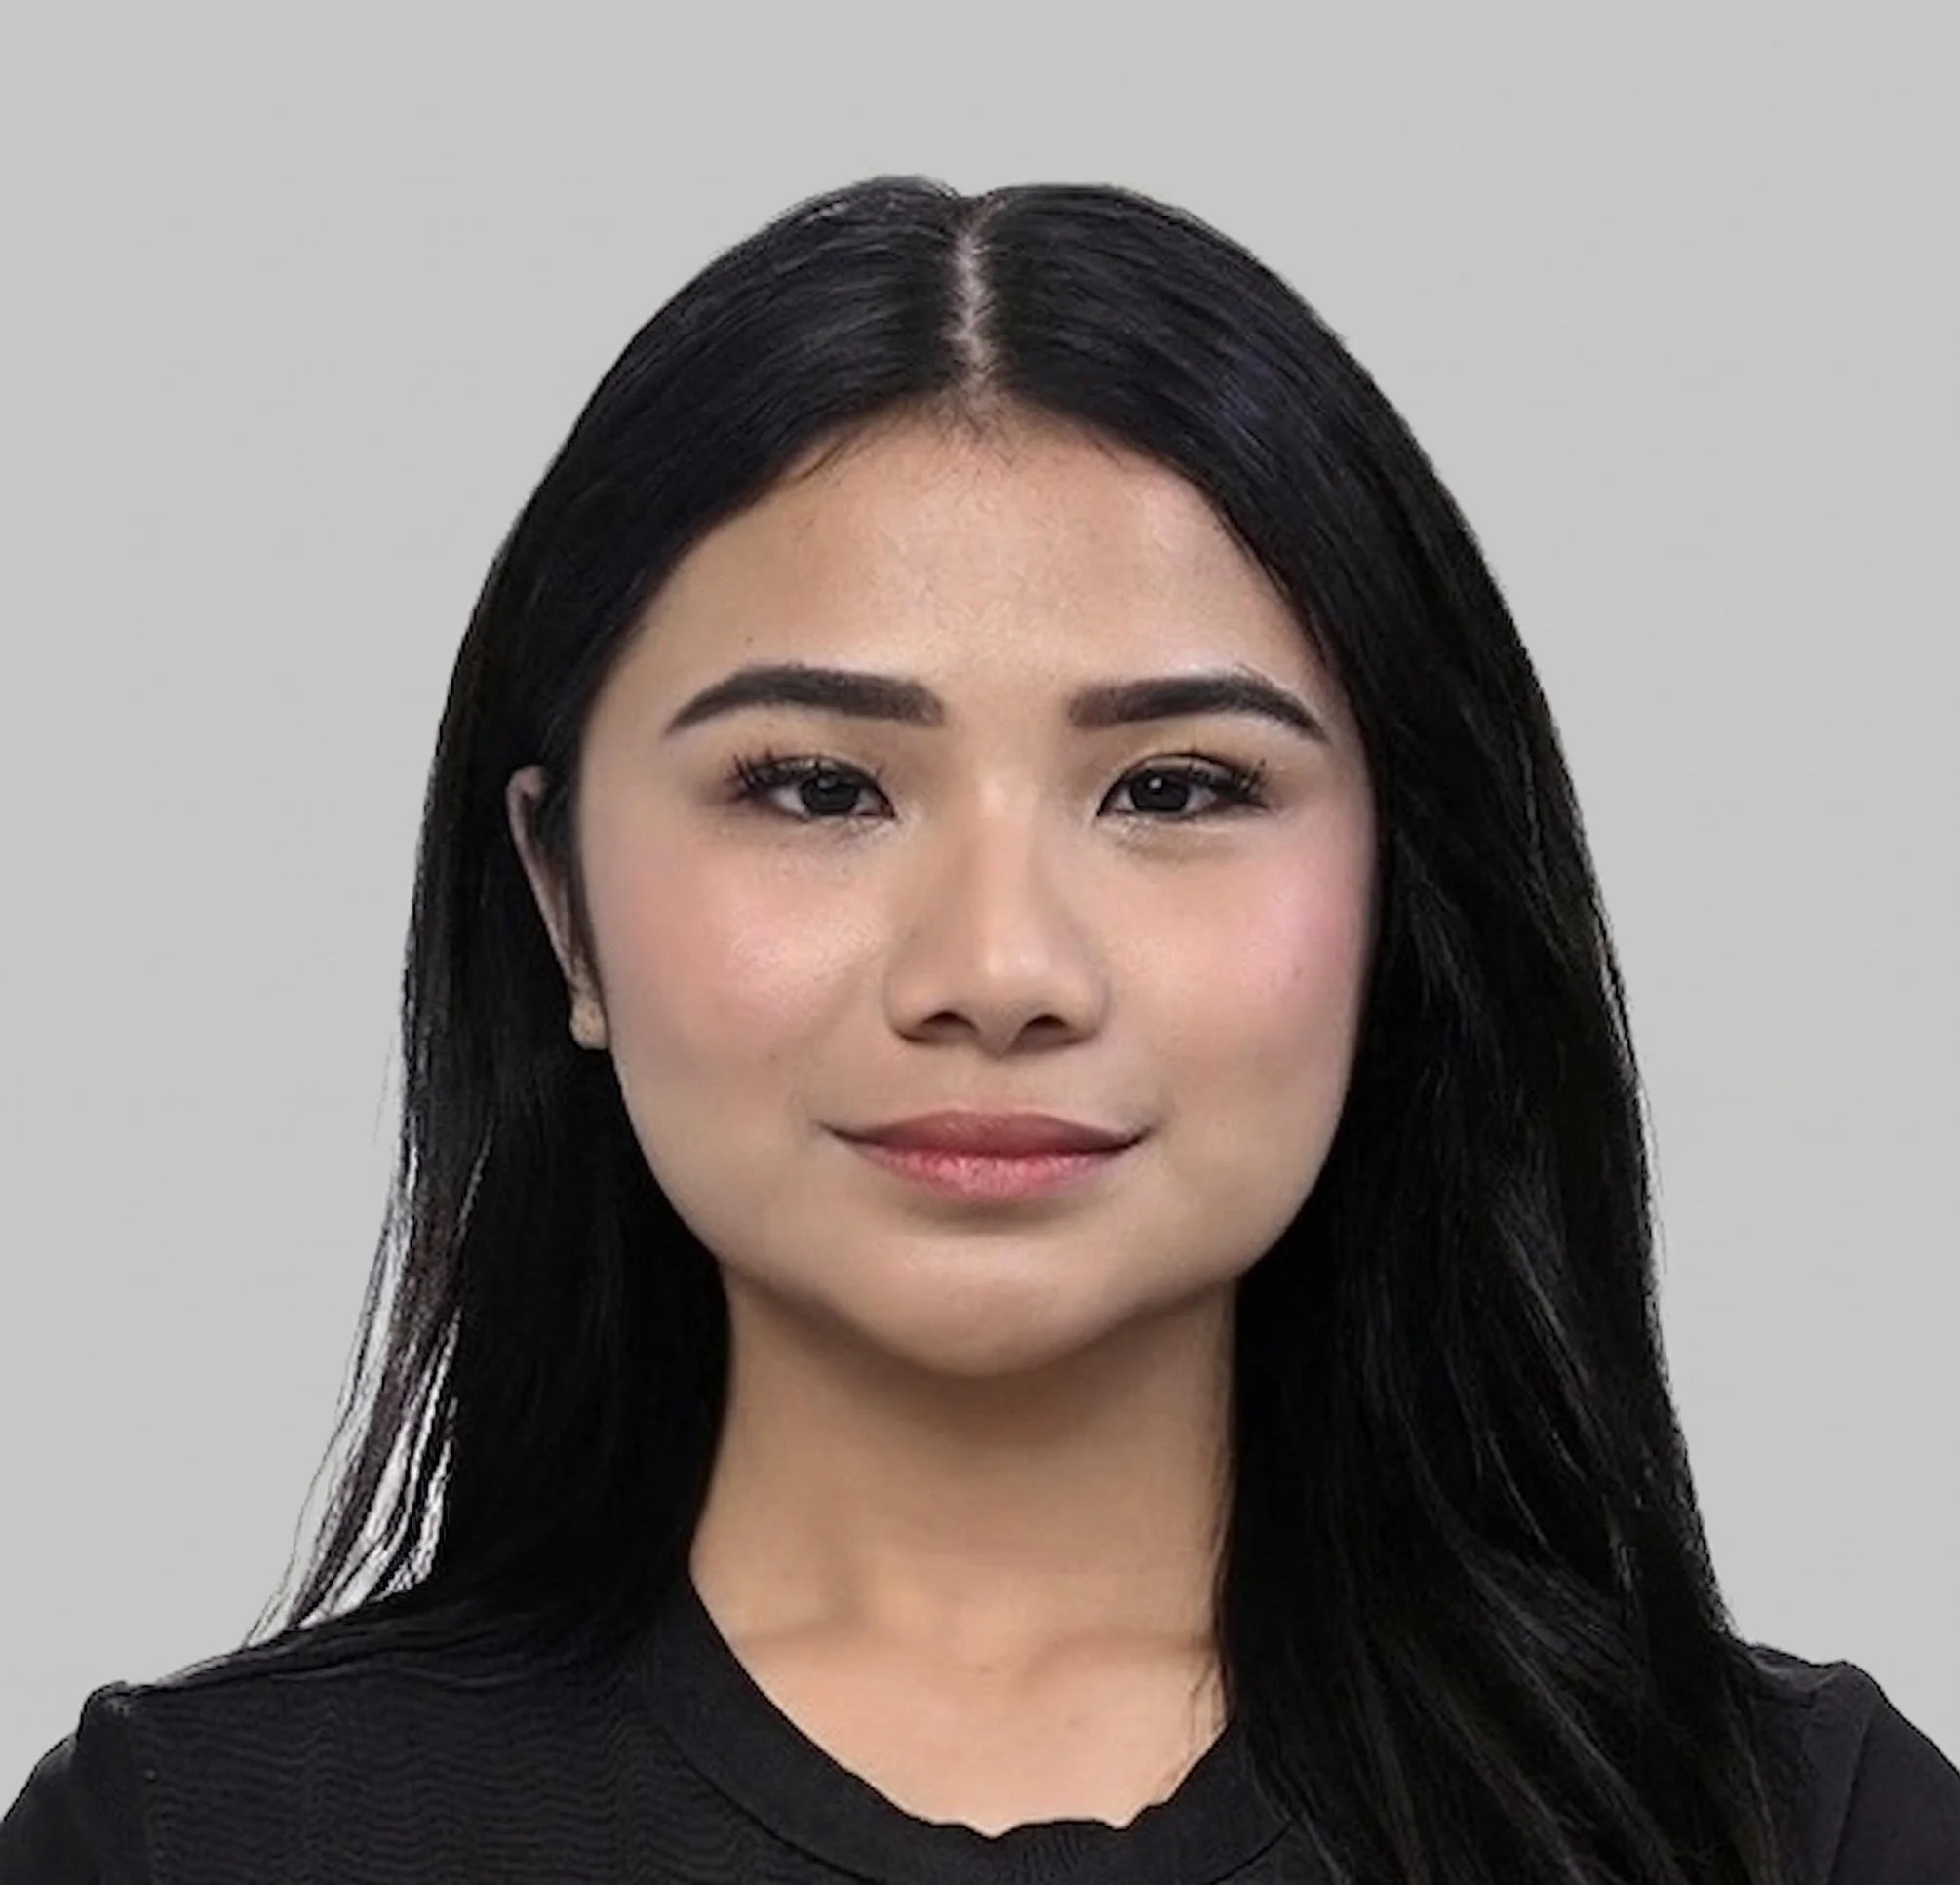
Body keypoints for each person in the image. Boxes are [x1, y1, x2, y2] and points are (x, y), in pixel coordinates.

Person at [3, 174, 1955, 1885]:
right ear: (561, 900)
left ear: (1398, 893)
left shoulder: (1799, 1830)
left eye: (1177, 790)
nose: (1000, 966)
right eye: (815, 788)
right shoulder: (188, 1841)